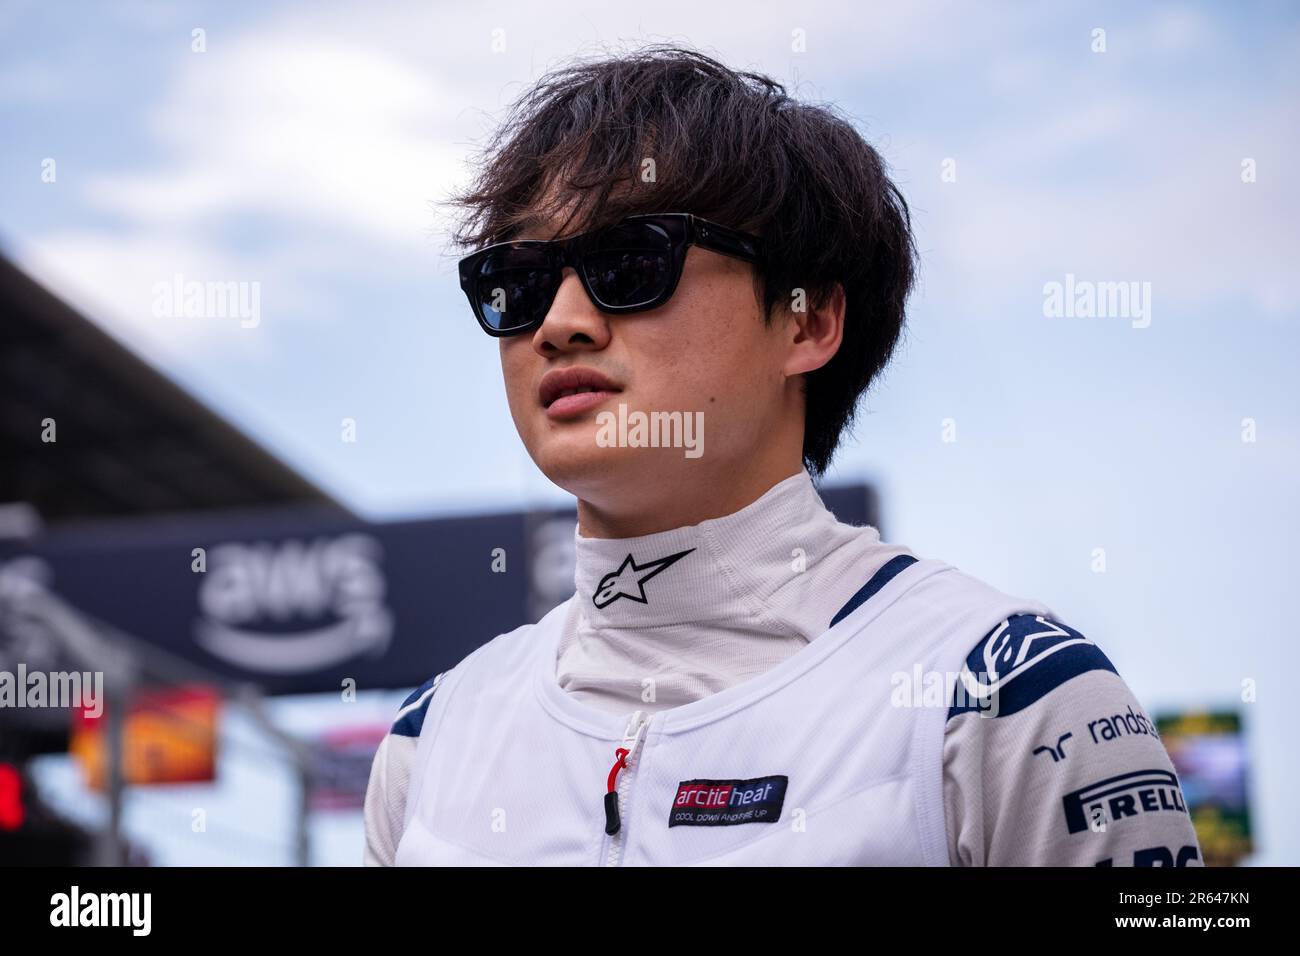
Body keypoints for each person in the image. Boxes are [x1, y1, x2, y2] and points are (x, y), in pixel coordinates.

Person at [363, 46, 1201, 866]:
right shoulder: (430, 740)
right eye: (518, 279)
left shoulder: (1007, 694)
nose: (559, 322)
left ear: (806, 322)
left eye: (630, 262)